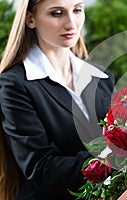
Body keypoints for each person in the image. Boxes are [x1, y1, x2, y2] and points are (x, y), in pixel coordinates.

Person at [0, 0, 114, 199]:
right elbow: (43, 170)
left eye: (77, 10)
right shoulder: (14, 85)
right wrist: (115, 158)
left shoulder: (101, 77)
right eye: (57, 13)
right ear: (30, 19)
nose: (71, 23)